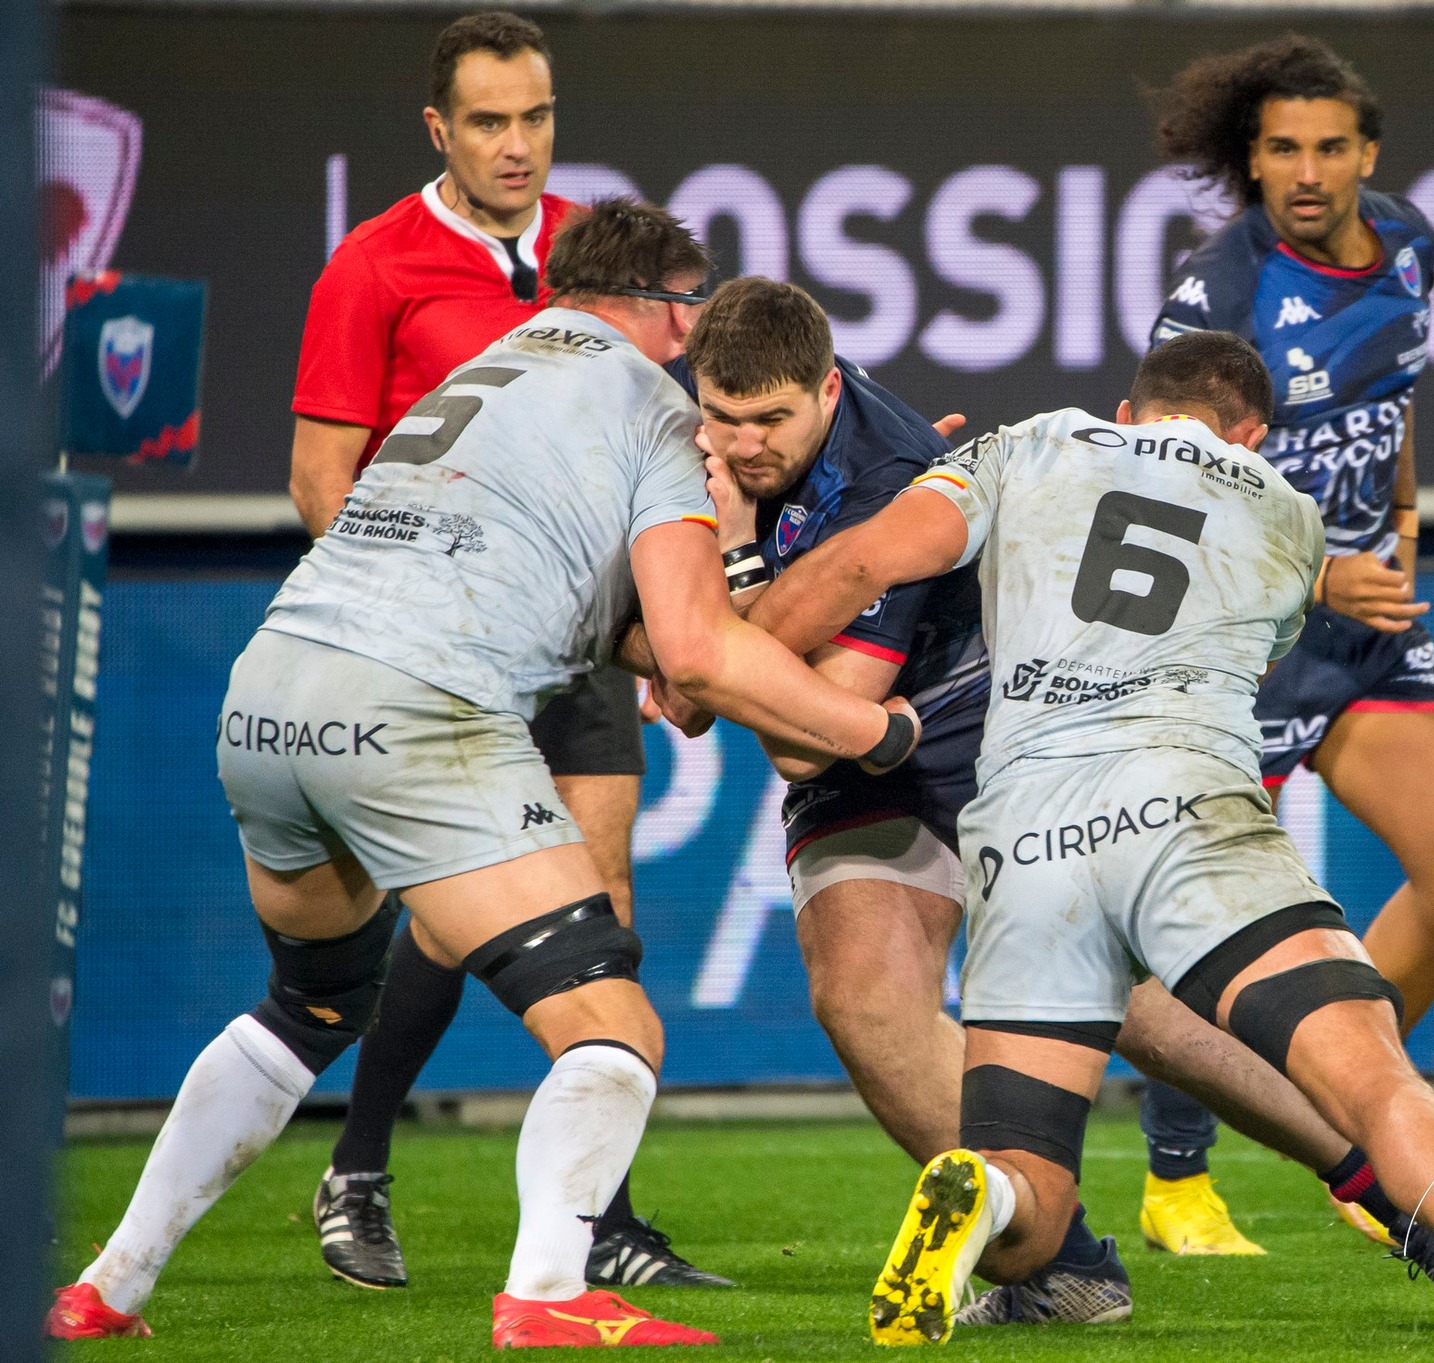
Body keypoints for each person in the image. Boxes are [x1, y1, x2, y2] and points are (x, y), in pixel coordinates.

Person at [46, 200, 921, 1349]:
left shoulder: (488, 366)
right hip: (417, 709)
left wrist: (707, 645)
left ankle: (105, 1285)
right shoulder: (655, 409)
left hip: (269, 691)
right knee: (613, 1025)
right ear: (660, 307)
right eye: (691, 304)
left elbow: (635, 635)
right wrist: (877, 736)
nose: (697, 333)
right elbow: (700, 652)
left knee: (309, 1002)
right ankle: (549, 1294)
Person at [745, 330, 1434, 1352]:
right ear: (1252, 435)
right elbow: (1250, 648)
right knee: (1370, 1068)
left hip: (1023, 832)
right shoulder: (1285, 514)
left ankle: (985, 1194)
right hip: (1184, 805)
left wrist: (735, 651)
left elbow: (862, 559)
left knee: (1029, 1161)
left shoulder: (1026, 443)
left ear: (1125, 411)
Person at [632, 280, 1434, 1327]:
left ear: (826, 389)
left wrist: (716, 606)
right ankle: (1053, 1259)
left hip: (980, 730)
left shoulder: (890, 466)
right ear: (693, 389)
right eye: (725, 417)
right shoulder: (673, 436)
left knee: (1141, 1008)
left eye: (772, 421)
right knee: (864, 1000)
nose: (746, 443)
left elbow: (805, 726)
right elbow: (693, 659)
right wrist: (695, 651)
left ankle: (1410, 1202)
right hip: (865, 753)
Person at [287, 10, 718, 1290]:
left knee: (600, 912)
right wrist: (425, 596)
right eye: (487, 122)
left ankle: (604, 1225)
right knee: (438, 911)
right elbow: (321, 479)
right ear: (439, 130)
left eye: (533, 118)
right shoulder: (372, 266)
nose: (516, 146)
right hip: (435, 643)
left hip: (572, 640)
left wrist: (644, 620)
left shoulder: (599, 251)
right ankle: (357, 1165)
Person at [1133, 33, 1434, 1258]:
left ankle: (1357, 1128)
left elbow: (1390, 399)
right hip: (1243, 630)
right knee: (1201, 927)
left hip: (1366, 627)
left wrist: (1397, 517)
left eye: (1328, 146)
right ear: (1251, 159)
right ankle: (1177, 1184)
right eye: (1280, 148)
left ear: (1368, 153)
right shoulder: (1220, 291)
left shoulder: (1409, 243)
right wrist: (1313, 563)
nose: (1305, 170)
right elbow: (1164, 480)